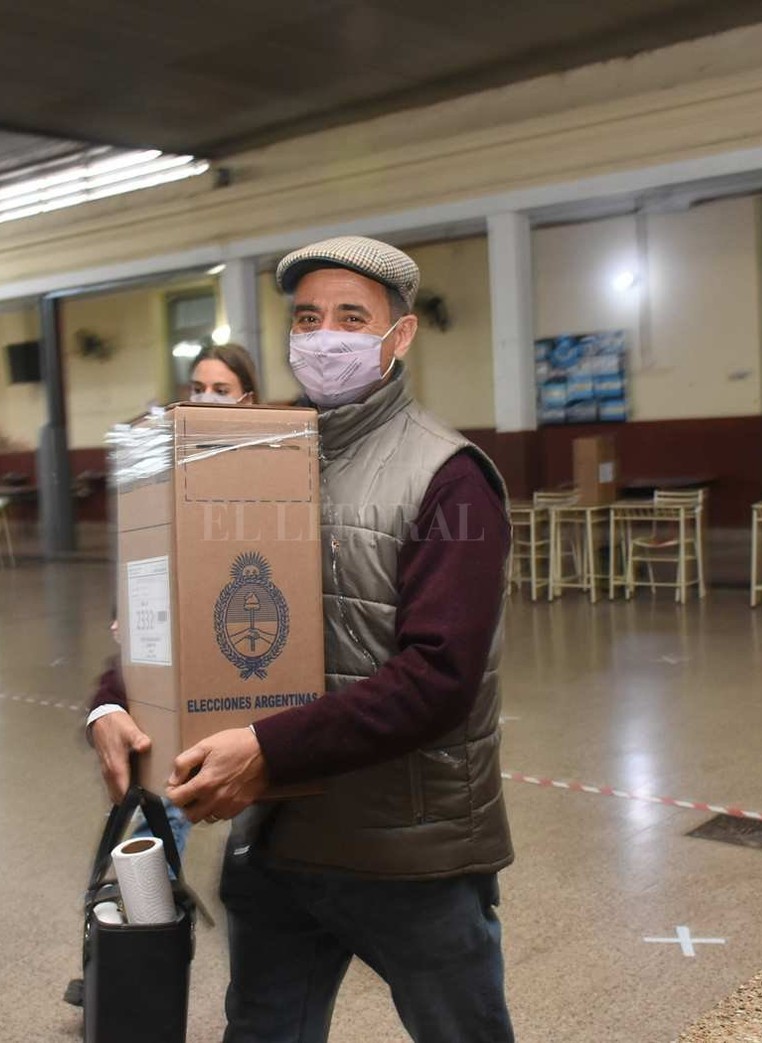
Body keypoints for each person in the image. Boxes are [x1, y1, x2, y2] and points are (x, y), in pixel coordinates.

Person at [91, 236, 515, 1042]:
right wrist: (112, 702)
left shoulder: (448, 477)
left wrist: (267, 749)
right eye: (308, 318)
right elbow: (180, 603)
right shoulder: (249, 455)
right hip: (279, 840)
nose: (324, 336)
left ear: (399, 334)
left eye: (351, 318)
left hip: (408, 849)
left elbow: (439, 675)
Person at [86, 342, 263, 856]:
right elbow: (137, 624)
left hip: (255, 687)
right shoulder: (165, 482)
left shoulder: (274, 479)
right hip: (184, 684)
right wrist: (105, 707)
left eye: (222, 390)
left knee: (259, 838)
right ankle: (149, 886)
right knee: (163, 810)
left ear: (248, 401)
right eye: (198, 388)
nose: (207, 399)